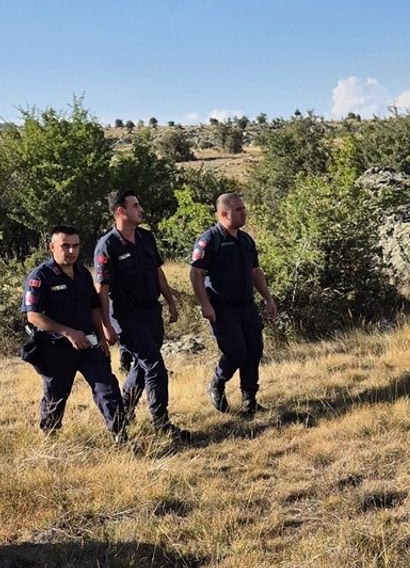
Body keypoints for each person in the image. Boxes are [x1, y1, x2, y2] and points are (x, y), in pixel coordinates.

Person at [22, 224, 126, 441]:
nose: (71, 251)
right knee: (56, 397)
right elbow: (33, 316)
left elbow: (93, 308)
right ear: (52, 247)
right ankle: (50, 440)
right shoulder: (40, 276)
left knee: (107, 389)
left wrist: (102, 335)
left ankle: (120, 436)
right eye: (65, 246)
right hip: (56, 348)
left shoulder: (82, 274)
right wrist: (68, 333)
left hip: (88, 344)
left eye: (75, 246)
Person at [95, 189, 185, 438]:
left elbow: (158, 272)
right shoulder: (107, 245)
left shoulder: (146, 237)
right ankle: (162, 424)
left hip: (151, 311)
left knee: (143, 366)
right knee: (155, 366)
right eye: (135, 206)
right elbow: (101, 290)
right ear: (120, 211)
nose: (141, 209)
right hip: (126, 315)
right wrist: (105, 325)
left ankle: (124, 409)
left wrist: (170, 301)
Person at [191, 193, 278, 415]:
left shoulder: (246, 240)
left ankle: (249, 400)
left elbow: (255, 271)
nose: (244, 211)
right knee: (236, 351)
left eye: (243, 208)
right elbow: (196, 274)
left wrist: (267, 298)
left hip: (246, 305)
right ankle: (217, 383)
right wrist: (205, 305)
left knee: (254, 350)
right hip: (222, 307)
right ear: (223, 214)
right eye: (238, 209)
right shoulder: (210, 240)